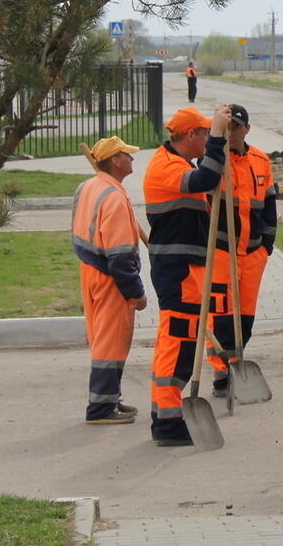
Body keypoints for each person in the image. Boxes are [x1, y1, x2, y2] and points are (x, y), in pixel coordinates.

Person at [142, 104, 231, 446]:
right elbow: (206, 178)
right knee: (176, 340)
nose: (208, 137)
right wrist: (220, 139)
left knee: (187, 339)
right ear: (192, 135)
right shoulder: (166, 168)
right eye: (205, 133)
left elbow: (209, 178)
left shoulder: (178, 163)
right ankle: (166, 422)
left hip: (187, 267)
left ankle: (169, 413)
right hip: (176, 269)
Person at [71, 136, 148, 425]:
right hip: (110, 278)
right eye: (127, 155)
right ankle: (100, 409)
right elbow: (120, 256)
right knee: (111, 342)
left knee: (103, 338)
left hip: (91, 271)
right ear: (115, 161)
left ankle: (109, 398)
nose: (132, 159)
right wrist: (135, 292)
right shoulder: (113, 197)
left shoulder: (88, 187)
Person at [206, 103, 278, 396]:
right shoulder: (213, 159)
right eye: (229, 126)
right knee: (221, 314)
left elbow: (270, 205)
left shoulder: (261, 160)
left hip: (253, 252)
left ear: (247, 128)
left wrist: (267, 245)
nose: (233, 131)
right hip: (222, 249)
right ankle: (221, 372)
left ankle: (236, 360)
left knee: (245, 316)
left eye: (237, 126)